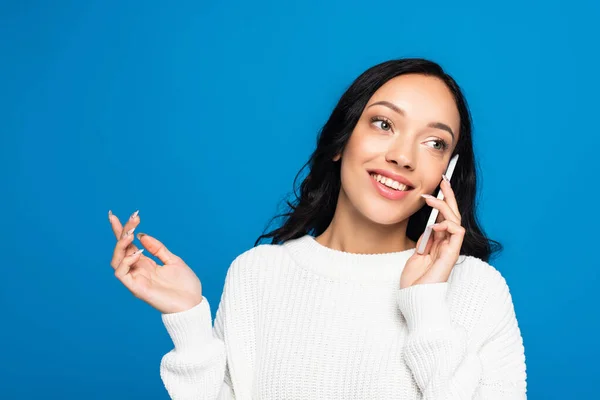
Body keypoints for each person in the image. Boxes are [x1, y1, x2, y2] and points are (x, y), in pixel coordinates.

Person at [108, 58, 527, 399]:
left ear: (447, 172)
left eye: (434, 143)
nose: (403, 157)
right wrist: (189, 322)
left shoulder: (476, 290)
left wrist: (426, 305)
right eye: (384, 124)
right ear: (342, 139)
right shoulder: (257, 275)